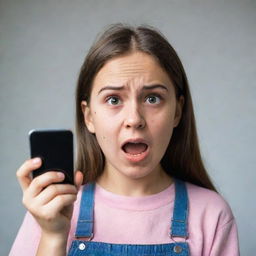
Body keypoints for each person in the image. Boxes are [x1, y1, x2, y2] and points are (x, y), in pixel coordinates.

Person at [10, 24, 240, 256]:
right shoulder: (51, 208)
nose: (134, 119)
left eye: (152, 98)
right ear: (89, 116)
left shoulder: (212, 215)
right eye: (113, 100)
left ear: (177, 112)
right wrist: (52, 236)